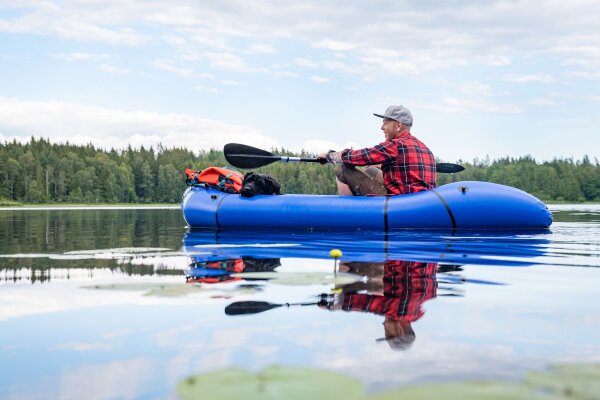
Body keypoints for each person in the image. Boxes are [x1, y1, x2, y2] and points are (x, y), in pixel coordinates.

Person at [318, 105, 436, 196]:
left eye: (385, 123)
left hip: (399, 203)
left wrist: (331, 155)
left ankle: (347, 212)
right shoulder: (427, 150)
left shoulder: (395, 145)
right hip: (419, 202)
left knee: (342, 169)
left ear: (398, 126)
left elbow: (363, 156)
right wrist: (382, 165)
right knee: (371, 169)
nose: (382, 128)